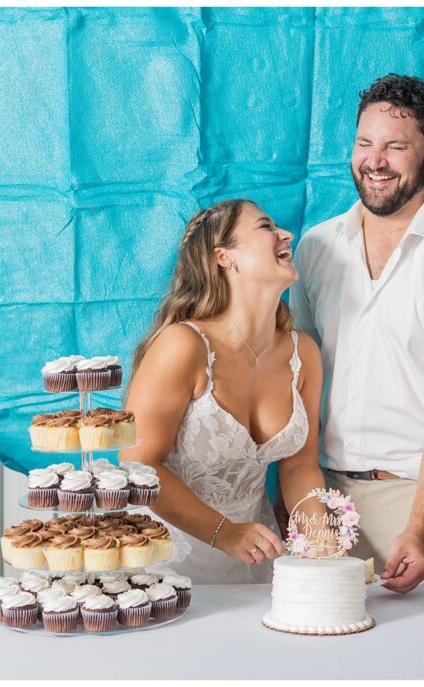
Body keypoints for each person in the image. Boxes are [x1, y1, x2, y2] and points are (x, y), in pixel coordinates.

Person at [289, 74, 424, 593]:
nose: (375, 160)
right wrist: (298, 495)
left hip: (417, 502)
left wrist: (418, 528)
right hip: (323, 496)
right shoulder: (316, 248)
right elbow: (297, 381)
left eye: (396, 147)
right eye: (365, 143)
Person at [124, 199, 326, 583]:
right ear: (224, 256)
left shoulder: (304, 355)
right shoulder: (182, 345)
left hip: (256, 558)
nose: (286, 235)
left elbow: (300, 466)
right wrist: (225, 533)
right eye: (266, 227)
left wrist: (322, 550)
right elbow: (138, 466)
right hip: (166, 561)